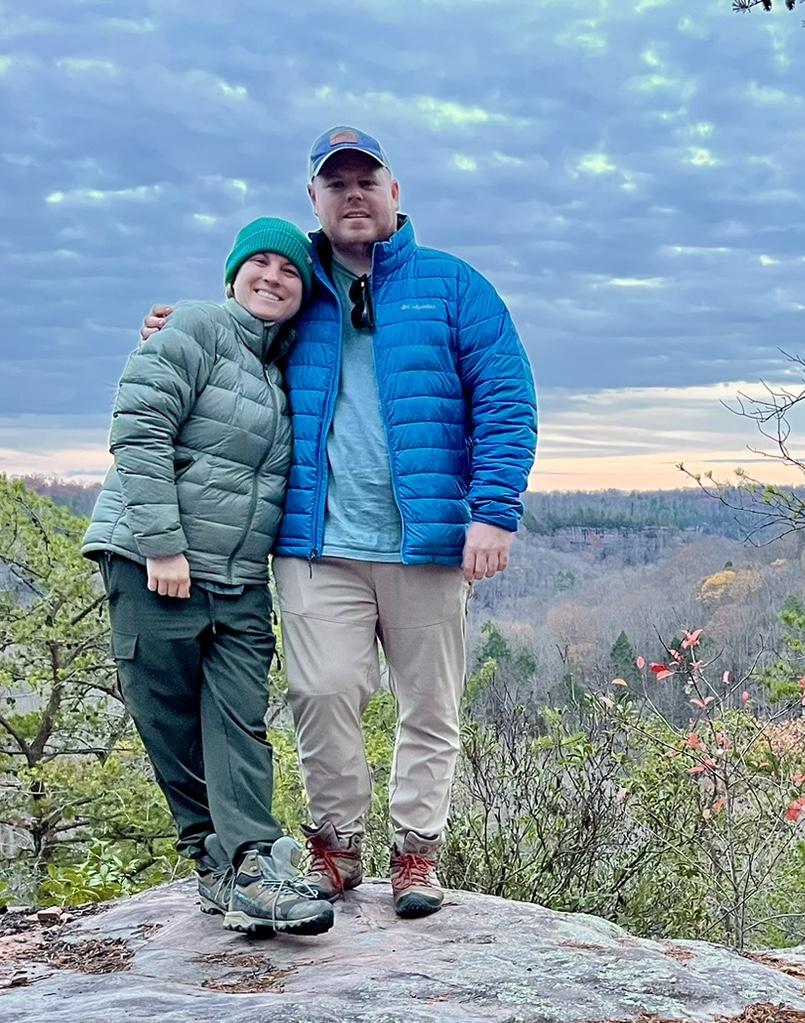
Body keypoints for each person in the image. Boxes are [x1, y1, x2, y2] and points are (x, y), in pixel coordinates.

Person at [147, 127, 538, 919]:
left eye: (368, 180)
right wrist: (176, 328)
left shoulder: (454, 287)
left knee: (429, 703)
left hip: (427, 540)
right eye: (337, 184)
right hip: (314, 542)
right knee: (320, 691)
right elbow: (227, 345)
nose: (353, 194)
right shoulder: (296, 293)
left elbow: (507, 398)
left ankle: (417, 853)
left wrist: (493, 514)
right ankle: (335, 846)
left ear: (396, 193)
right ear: (315, 202)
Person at [86, 219, 335, 938]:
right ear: (232, 275)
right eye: (257, 262)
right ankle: (215, 865)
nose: (272, 277)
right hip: (151, 563)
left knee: (239, 724)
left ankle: (254, 864)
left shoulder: (286, 365)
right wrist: (163, 545)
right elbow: (139, 429)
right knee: (169, 724)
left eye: (288, 270)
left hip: (239, 577)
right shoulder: (194, 328)